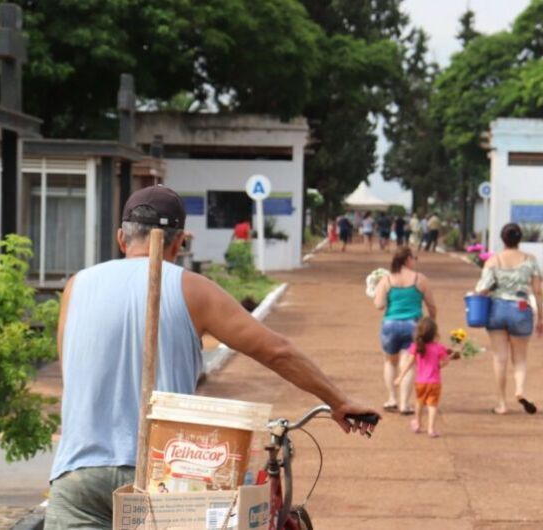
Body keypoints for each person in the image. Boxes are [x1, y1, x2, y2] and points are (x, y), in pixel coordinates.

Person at [45, 185, 378, 529]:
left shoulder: (76, 286)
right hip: (161, 475)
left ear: (120, 237)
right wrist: (337, 401)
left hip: (76, 475)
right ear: (179, 242)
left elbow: (71, 369)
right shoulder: (191, 289)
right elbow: (275, 351)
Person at [475, 222, 543, 416]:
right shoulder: (531, 260)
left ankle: (501, 404)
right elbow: (538, 291)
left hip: (497, 309)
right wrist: (541, 318)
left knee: (500, 358)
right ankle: (520, 390)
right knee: (520, 359)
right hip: (521, 309)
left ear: (502, 239)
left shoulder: (493, 261)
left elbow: (482, 288)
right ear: (519, 239)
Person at [373, 247, 437, 415]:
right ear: (408, 259)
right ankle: (404, 404)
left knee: (390, 362)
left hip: (390, 325)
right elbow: (431, 305)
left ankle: (391, 399)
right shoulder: (420, 279)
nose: (415, 261)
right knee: (408, 363)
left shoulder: (387, 279)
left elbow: (379, 305)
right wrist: (432, 323)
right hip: (413, 325)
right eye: (414, 258)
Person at [394, 317, 452, 437]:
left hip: (420, 381)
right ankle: (431, 429)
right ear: (435, 334)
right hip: (435, 382)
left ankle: (418, 423)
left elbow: (409, 363)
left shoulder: (416, 346)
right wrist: (439, 365)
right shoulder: (439, 348)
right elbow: (445, 362)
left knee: (419, 402)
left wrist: (400, 376)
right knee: (432, 405)